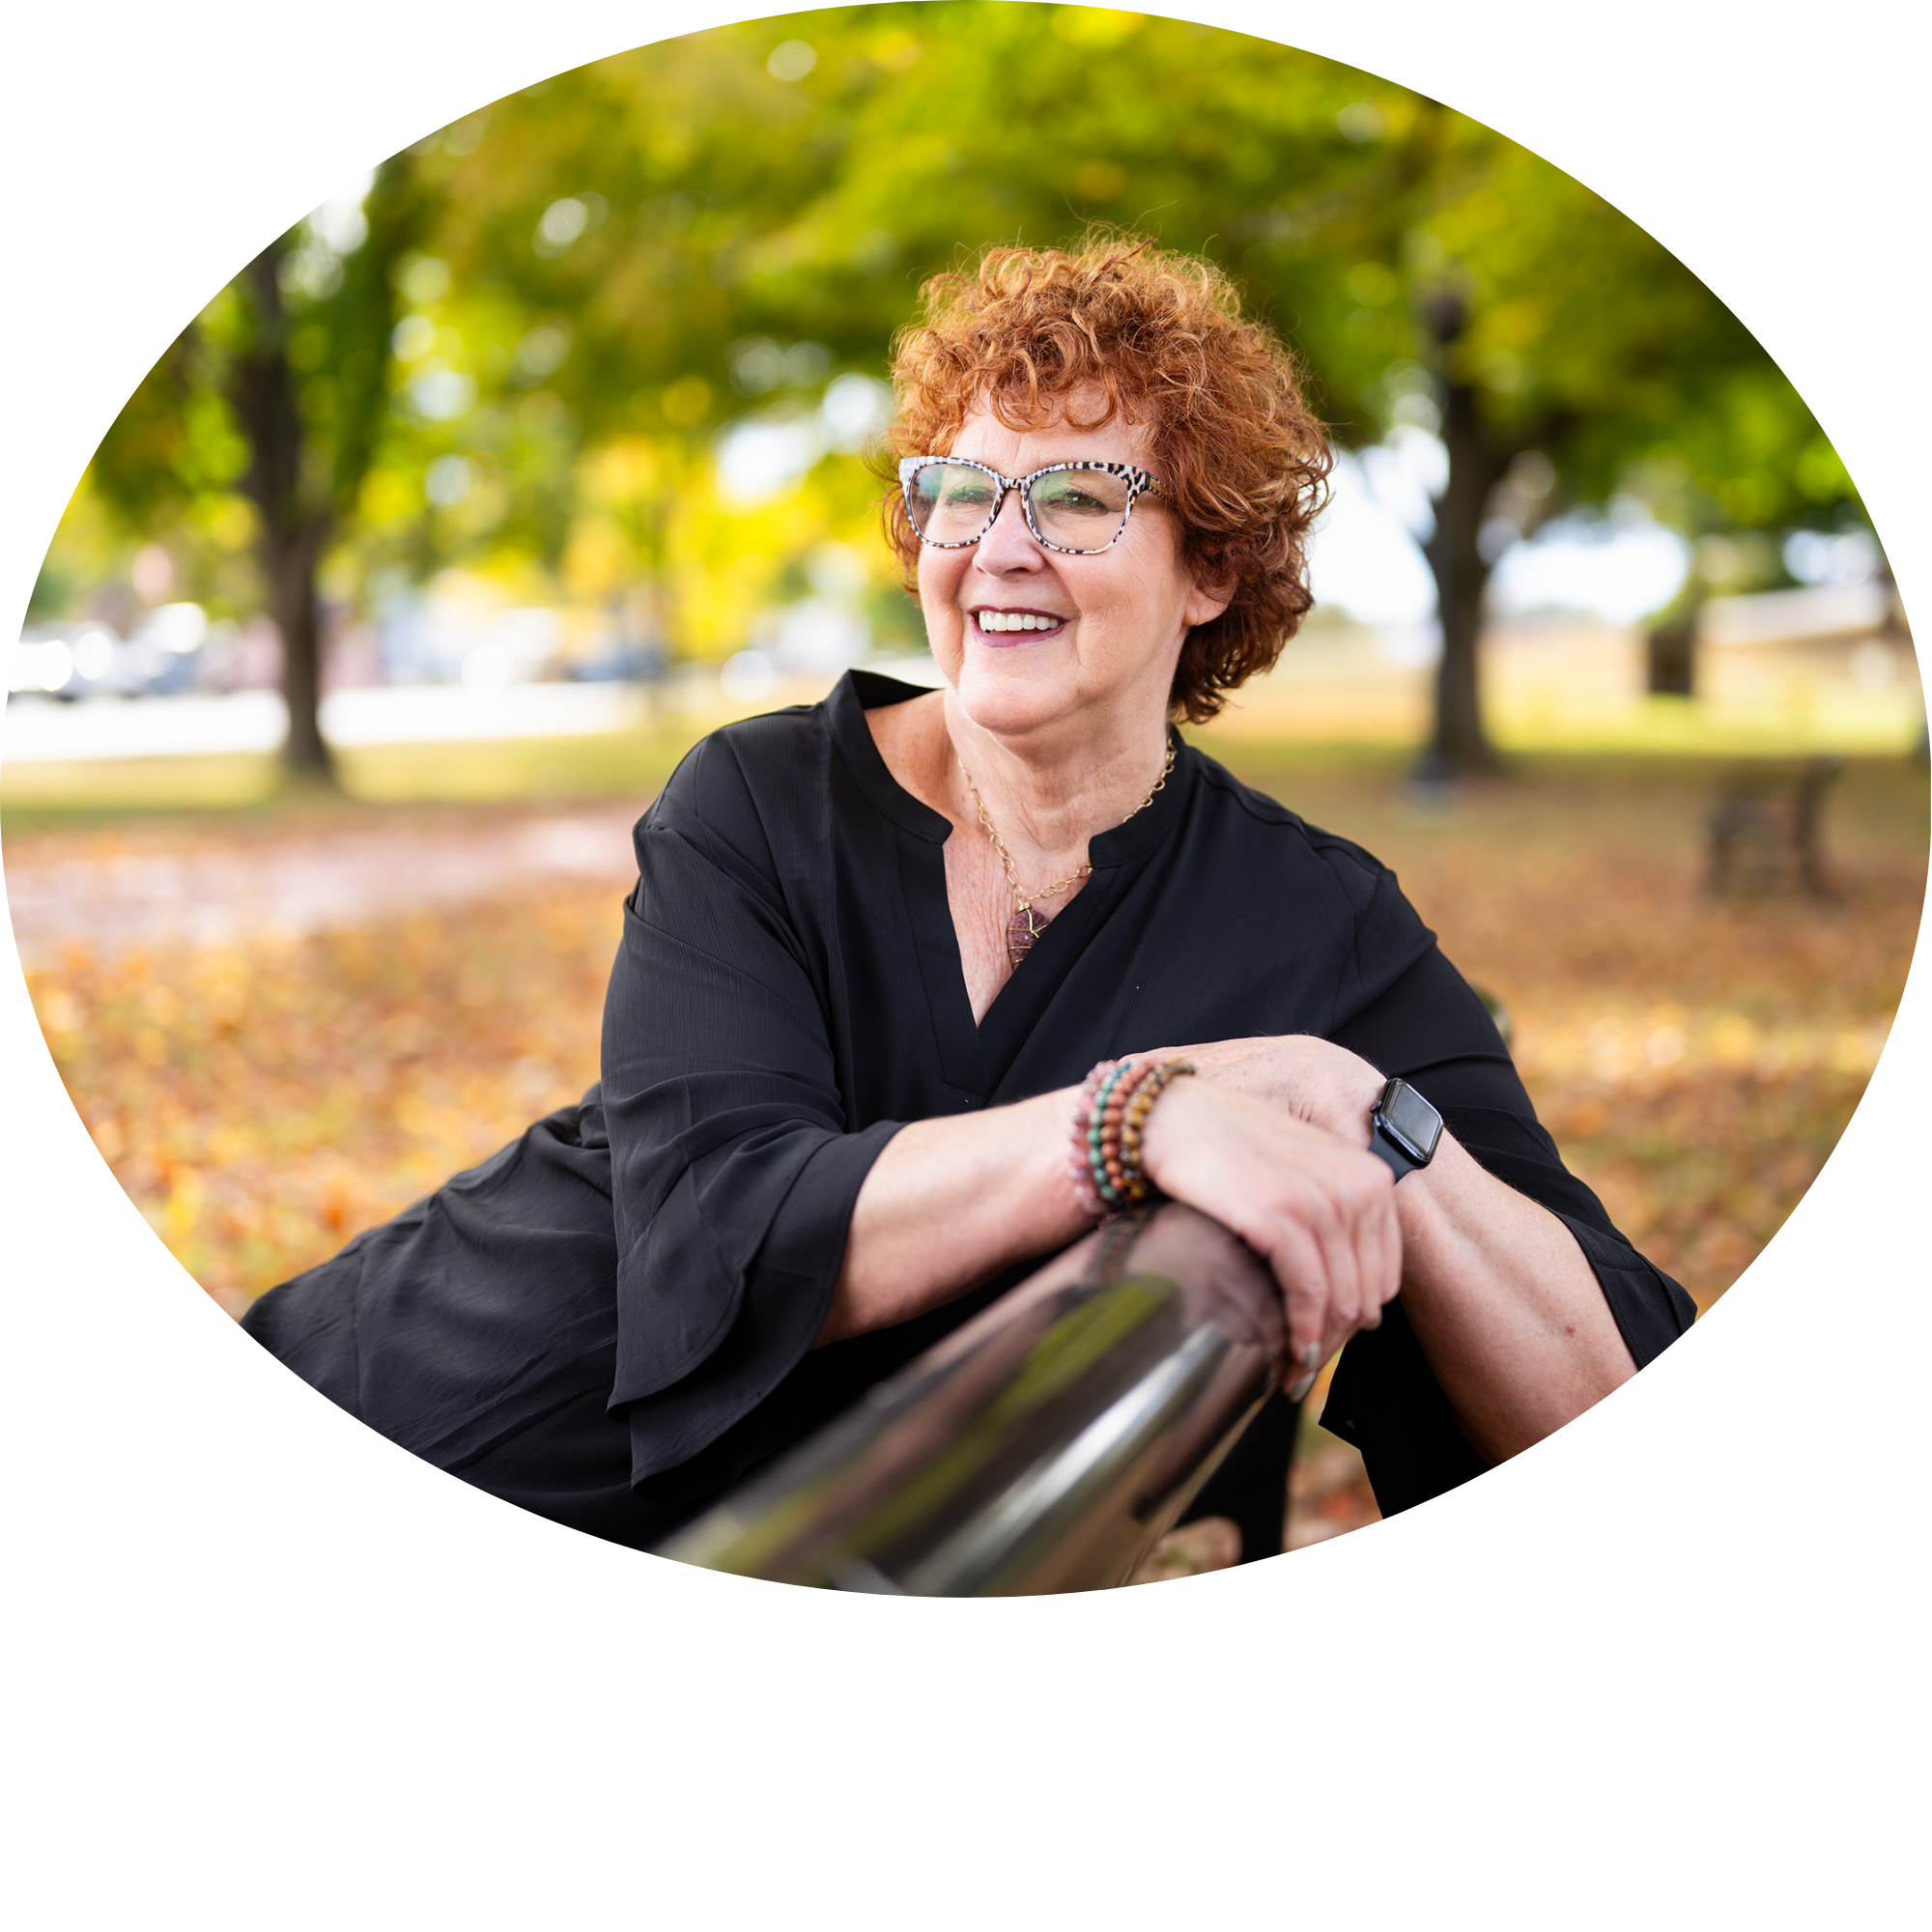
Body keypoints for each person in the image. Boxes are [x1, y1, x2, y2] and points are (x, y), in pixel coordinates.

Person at [242, 235, 1693, 1555]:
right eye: (960, 490)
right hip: (405, 1395)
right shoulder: (757, 805)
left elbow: (1595, 1363)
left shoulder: (1319, 926)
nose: (998, 545)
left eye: (1076, 496)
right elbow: (720, 1226)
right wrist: (1143, 1117)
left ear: (1213, 570)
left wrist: (1356, 1107)